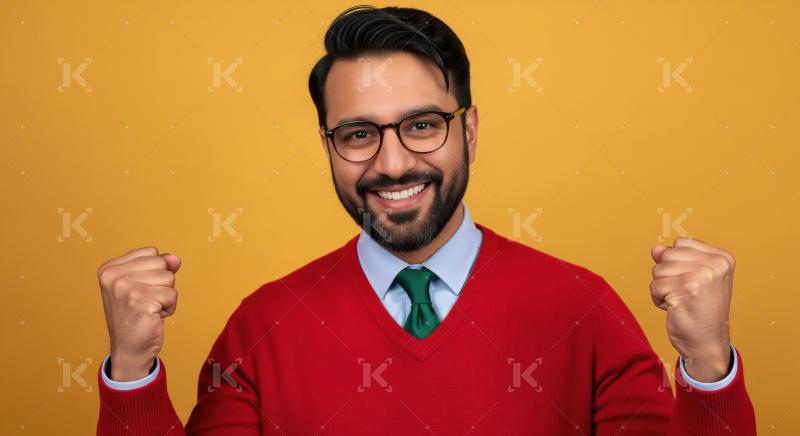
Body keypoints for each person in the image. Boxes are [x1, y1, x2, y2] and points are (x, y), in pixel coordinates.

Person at [95, 5, 756, 435]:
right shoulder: (262, 327)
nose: (391, 164)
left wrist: (706, 362)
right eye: (358, 134)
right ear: (328, 145)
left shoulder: (583, 309)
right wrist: (131, 370)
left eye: (421, 126)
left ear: (468, 127)